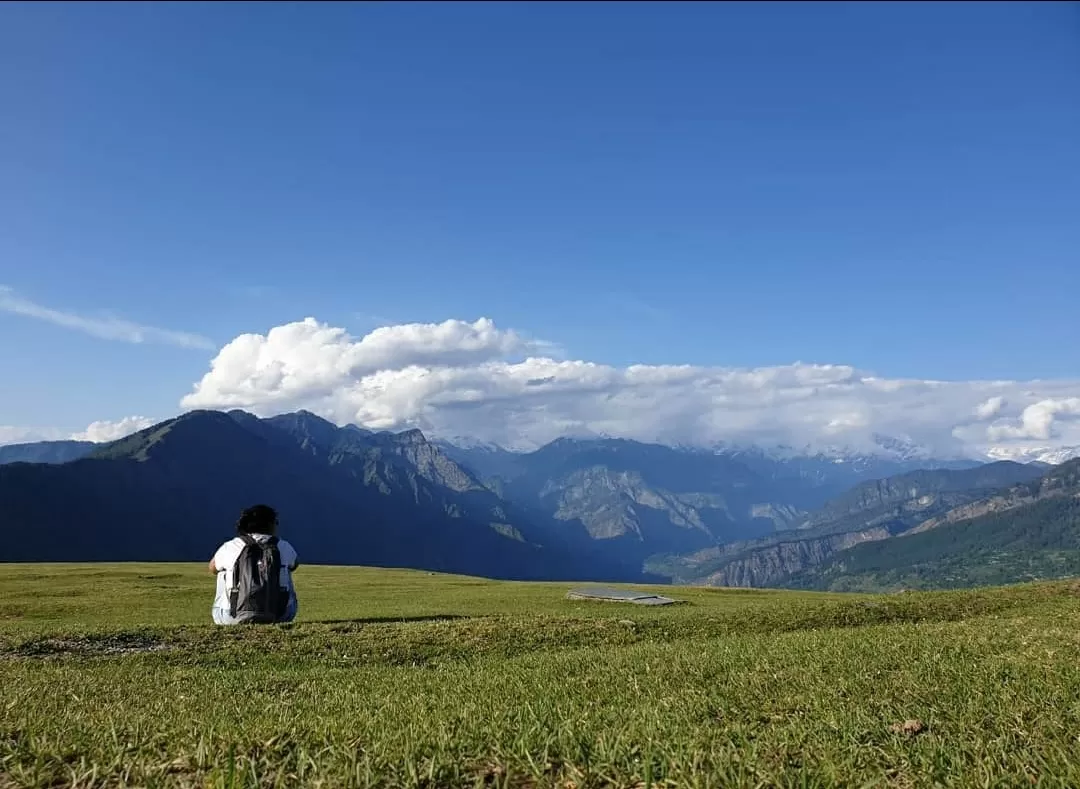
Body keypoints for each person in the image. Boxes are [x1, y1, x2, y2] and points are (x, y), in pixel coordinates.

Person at [208, 504, 299, 625]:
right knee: (285, 568)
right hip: (280, 616)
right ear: (270, 524)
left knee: (222, 572)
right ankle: (276, 607)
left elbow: (212, 568)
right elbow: (295, 564)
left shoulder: (231, 546)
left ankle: (232, 607)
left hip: (232, 618)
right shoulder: (283, 546)